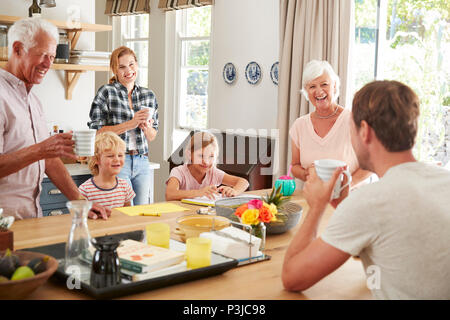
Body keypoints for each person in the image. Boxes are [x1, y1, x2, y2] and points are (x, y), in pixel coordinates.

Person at [282, 80, 450, 299]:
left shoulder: (370, 201)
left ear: (366, 132)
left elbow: (292, 277)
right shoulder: (443, 180)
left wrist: (317, 207)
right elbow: (385, 247)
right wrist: (343, 205)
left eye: (350, 129)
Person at [0, 17, 110, 220]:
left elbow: (49, 160)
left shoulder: (33, 99)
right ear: (17, 49)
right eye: (43, 55)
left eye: (52, 56)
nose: (48, 64)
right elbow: (41, 152)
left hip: (31, 219)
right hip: (4, 224)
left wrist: (80, 202)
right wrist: (40, 150)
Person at [88, 46, 158, 205]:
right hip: (118, 161)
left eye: (131, 64)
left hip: (142, 161)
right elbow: (97, 132)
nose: (128, 70)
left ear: (137, 65)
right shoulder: (106, 92)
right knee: (124, 211)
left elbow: (153, 136)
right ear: (114, 70)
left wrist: (146, 128)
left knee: (142, 212)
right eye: (122, 67)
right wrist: (130, 124)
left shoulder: (148, 95)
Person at [289, 60, 372, 187]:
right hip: (314, 199)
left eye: (324, 84)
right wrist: (306, 174)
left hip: (350, 200)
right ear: (306, 91)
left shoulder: (354, 120)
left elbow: (371, 163)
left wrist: (346, 186)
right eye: (312, 86)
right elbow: (294, 166)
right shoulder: (299, 125)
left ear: (334, 86)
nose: (319, 91)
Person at [165, 131, 249, 201]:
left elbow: (244, 182)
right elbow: (170, 194)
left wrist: (234, 191)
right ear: (189, 155)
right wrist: (199, 192)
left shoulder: (213, 172)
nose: (206, 162)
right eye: (201, 156)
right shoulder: (179, 172)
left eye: (211, 156)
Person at [79, 132, 135, 209]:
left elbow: (127, 214)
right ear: (96, 159)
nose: (117, 159)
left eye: (120, 155)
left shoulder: (125, 187)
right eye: (110, 156)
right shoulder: (85, 190)